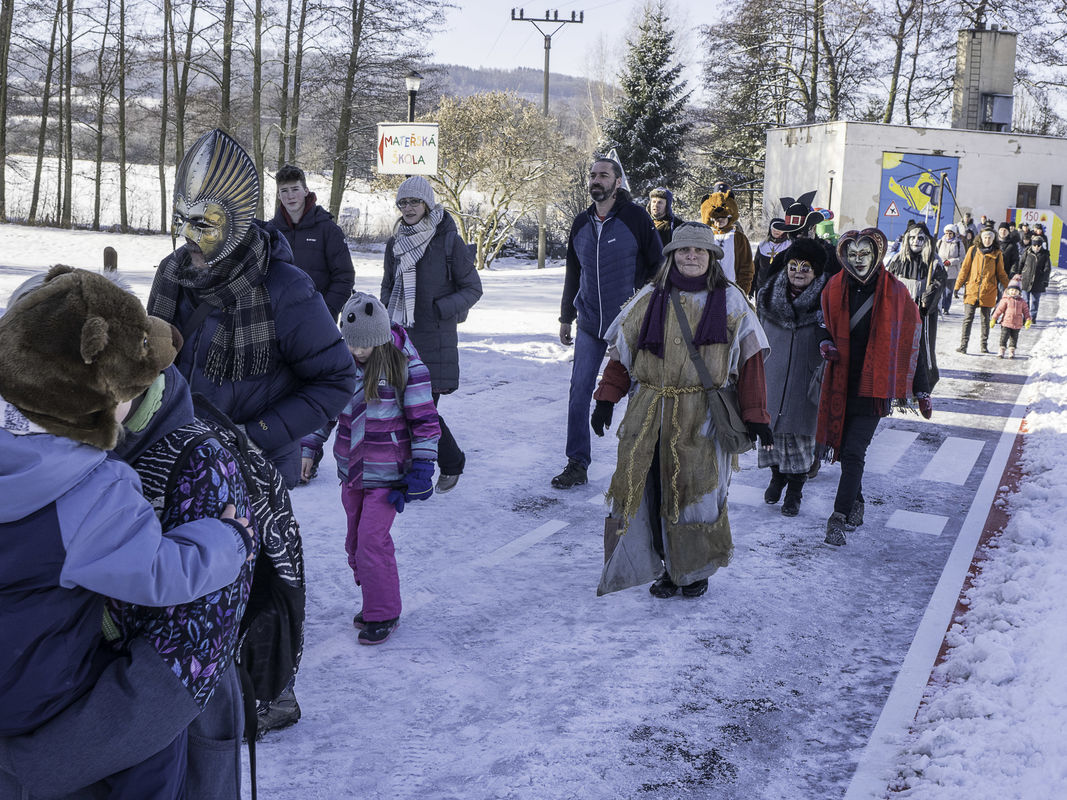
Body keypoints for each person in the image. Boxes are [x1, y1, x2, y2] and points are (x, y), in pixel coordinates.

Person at [0, 266, 254, 799]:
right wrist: (224, 541)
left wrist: (22, 773)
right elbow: (161, 569)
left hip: (105, 736)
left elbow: (182, 663)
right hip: (46, 700)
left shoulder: (198, 463)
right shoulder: (88, 479)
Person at [148, 127, 357, 735]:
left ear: (236, 223)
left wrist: (254, 434)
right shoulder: (174, 275)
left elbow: (336, 380)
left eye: (204, 224)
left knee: (254, 585)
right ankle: (191, 691)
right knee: (187, 587)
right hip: (180, 457)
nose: (189, 238)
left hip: (251, 469)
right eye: (183, 220)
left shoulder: (285, 289)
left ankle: (268, 693)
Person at [590, 222, 771, 598]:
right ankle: (663, 567)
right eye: (684, 251)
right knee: (650, 490)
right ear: (672, 256)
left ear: (711, 258)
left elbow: (751, 365)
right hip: (649, 411)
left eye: (699, 251)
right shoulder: (647, 299)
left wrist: (756, 416)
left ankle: (694, 570)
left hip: (702, 415)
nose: (691, 256)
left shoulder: (733, 302)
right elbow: (623, 357)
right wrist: (606, 398)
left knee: (698, 497)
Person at [302, 293, 440, 645]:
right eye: (353, 345)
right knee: (354, 543)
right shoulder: (341, 367)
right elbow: (324, 412)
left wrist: (423, 467)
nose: (358, 352)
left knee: (371, 542)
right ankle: (375, 599)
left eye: (365, 346)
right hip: (352, 472)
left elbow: (425, 420)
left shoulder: (405, 366)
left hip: (388, 476)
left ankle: (384, 612)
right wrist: (309, 448)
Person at [554, 157, 663, 489]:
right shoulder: (580, 223)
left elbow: (659, 266)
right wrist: (566, 317)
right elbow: (574, 272)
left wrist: (645, 306)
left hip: (629, 323)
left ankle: (637, 463)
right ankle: (577, 462)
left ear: (618, 182)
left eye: (603, 175)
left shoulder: (635, 219)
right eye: (592, 175)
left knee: (637, 393)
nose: (596, 180)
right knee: (578, 392)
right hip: (588, 320)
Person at [817, 228, 928, 547]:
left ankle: (837, 518)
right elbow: (820, 323)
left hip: (875, 387)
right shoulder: (833, 287)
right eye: (852, 255)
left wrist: (921, 389)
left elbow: (913, 340)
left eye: (864, 254)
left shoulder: (896, 292)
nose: (858, 260)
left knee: (853, 451)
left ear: (877, 255)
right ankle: (857, 502)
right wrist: (824, 343)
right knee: (847, 452)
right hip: (840, 382)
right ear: (843, 257)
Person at [381, 175, 482, 494]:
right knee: (404, 408)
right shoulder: (395, 240)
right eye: (403, 202)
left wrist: (441, 307)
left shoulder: (448, 240)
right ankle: (424, 468)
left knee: (420, 411)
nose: (409, 208)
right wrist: (383, 318)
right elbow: (387, 284)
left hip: (434, 340)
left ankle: (449, 463)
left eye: (415, 201)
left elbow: (473, 288)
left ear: (428, 204)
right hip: (400, 339)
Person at [755, 238, 829, 517]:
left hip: (806, 378)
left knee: (800, 439)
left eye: (806, 268)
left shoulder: (827, 301)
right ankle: (777, 477)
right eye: (793, 265)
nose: (798, 271)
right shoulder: (768, 297)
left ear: (817, 272)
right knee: (772, 434)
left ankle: (795, 492)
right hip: (772, 375)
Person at [271, 164, 355, 320]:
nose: (290, 196)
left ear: (306, 191)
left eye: (295, 189)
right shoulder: (270, 232)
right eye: (284, 191)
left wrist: (327, 311)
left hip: (318, 320)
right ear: (278, 195)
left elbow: (345, 276)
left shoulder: (328, 230)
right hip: (279, 320)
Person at [885, 220, 946, 391]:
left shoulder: (934, 261)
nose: (915, 241)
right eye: (912, 237)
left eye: (920, 238)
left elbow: (939, 283)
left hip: (923, 311)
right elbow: (887, 281)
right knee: (898, 346)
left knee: (923, 347)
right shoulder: (897, 259)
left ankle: (924, 384)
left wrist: (928, 298)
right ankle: (897, 383)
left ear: (926, 240)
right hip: (901, 309)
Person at [953, 225, 1009, 354]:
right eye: (985, 237)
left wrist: (1009, 288)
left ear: (993, 239)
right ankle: (963, 345)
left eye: (990, 238)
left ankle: (984, 345)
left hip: (988, 291)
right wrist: (957, 286)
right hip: (972, 289)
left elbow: (1001, 273)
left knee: (985, 320)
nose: (987, 240)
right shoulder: (973, 250)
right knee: (968, 319)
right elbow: (964, 270)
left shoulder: (997, 253)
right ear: (981, 238)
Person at [699, 188, 755, 294]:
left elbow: (746, 266)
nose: (719, 221)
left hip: (731, 289)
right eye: (716, 218)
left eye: (723, 217)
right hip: (707, 289)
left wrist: (742, 290)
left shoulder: (738, 237)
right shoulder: (705, 236)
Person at [990, 275, 1032, 359]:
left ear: (1019, 292)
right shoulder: (1005, 300)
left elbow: (1026, 311)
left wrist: (1028, 319)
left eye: (1015, 291)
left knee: (1014, 338)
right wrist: (994, 319)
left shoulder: (1022, 302)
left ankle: (1011, 351)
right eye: (1011, 290)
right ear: (1008, 290)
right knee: (1004, 337)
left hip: (1017, 324)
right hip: (1006, 323)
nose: (1013, 292)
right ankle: (1001, 350)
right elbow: (999, 310)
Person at [753, 220, 792, 297]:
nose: (776, 231)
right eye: (774, 228)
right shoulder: (763, 245)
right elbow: (756, 268)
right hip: (761, 287)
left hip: (780, 289)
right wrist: (751, 287)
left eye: (780, 229)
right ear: (770, 229)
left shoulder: (789, 245)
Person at [1019, 233, 1052, 323]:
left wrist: (1045, 280)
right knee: (1025, 300)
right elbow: (1021, 264)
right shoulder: (1027, 252)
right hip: (1026, 279)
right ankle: (1025, 317)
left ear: (1041, 245)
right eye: (1034, 245)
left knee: (1035, 301)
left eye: (1039, 245)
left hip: (1038, 281)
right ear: (1032, 244)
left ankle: (1032, 317)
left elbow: (1047, 268)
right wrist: (1018, 275)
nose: (1036, 247)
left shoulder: (1045, 255)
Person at [937, 223, 965, 314]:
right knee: (940, 290)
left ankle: (946, 308)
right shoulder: (940, 242)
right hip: (941, 270)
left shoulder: (958, 243)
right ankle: (939, 307)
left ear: (954, 234)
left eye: (950, 233)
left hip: (952, 271)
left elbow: (962, 257)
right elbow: (936, 254)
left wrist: (951, 261)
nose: (948, 235)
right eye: (947, 233)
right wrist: (942, 261)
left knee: (949, 291)